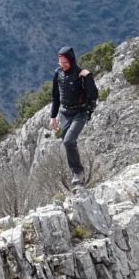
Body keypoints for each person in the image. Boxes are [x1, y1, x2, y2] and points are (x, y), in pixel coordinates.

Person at [50, 46, 97, 189]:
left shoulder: (80, 74)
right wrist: (53, 116)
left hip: (80, 113)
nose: (62, 65)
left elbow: (94, 95)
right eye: (60, 62)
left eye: (65, 62)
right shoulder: (58, 74)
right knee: (66, 143)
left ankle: (78, 174)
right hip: (64, 113)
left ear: (71, 61)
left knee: (69, 141)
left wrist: (88, 77)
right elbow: (55, 96)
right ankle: (77, 176)